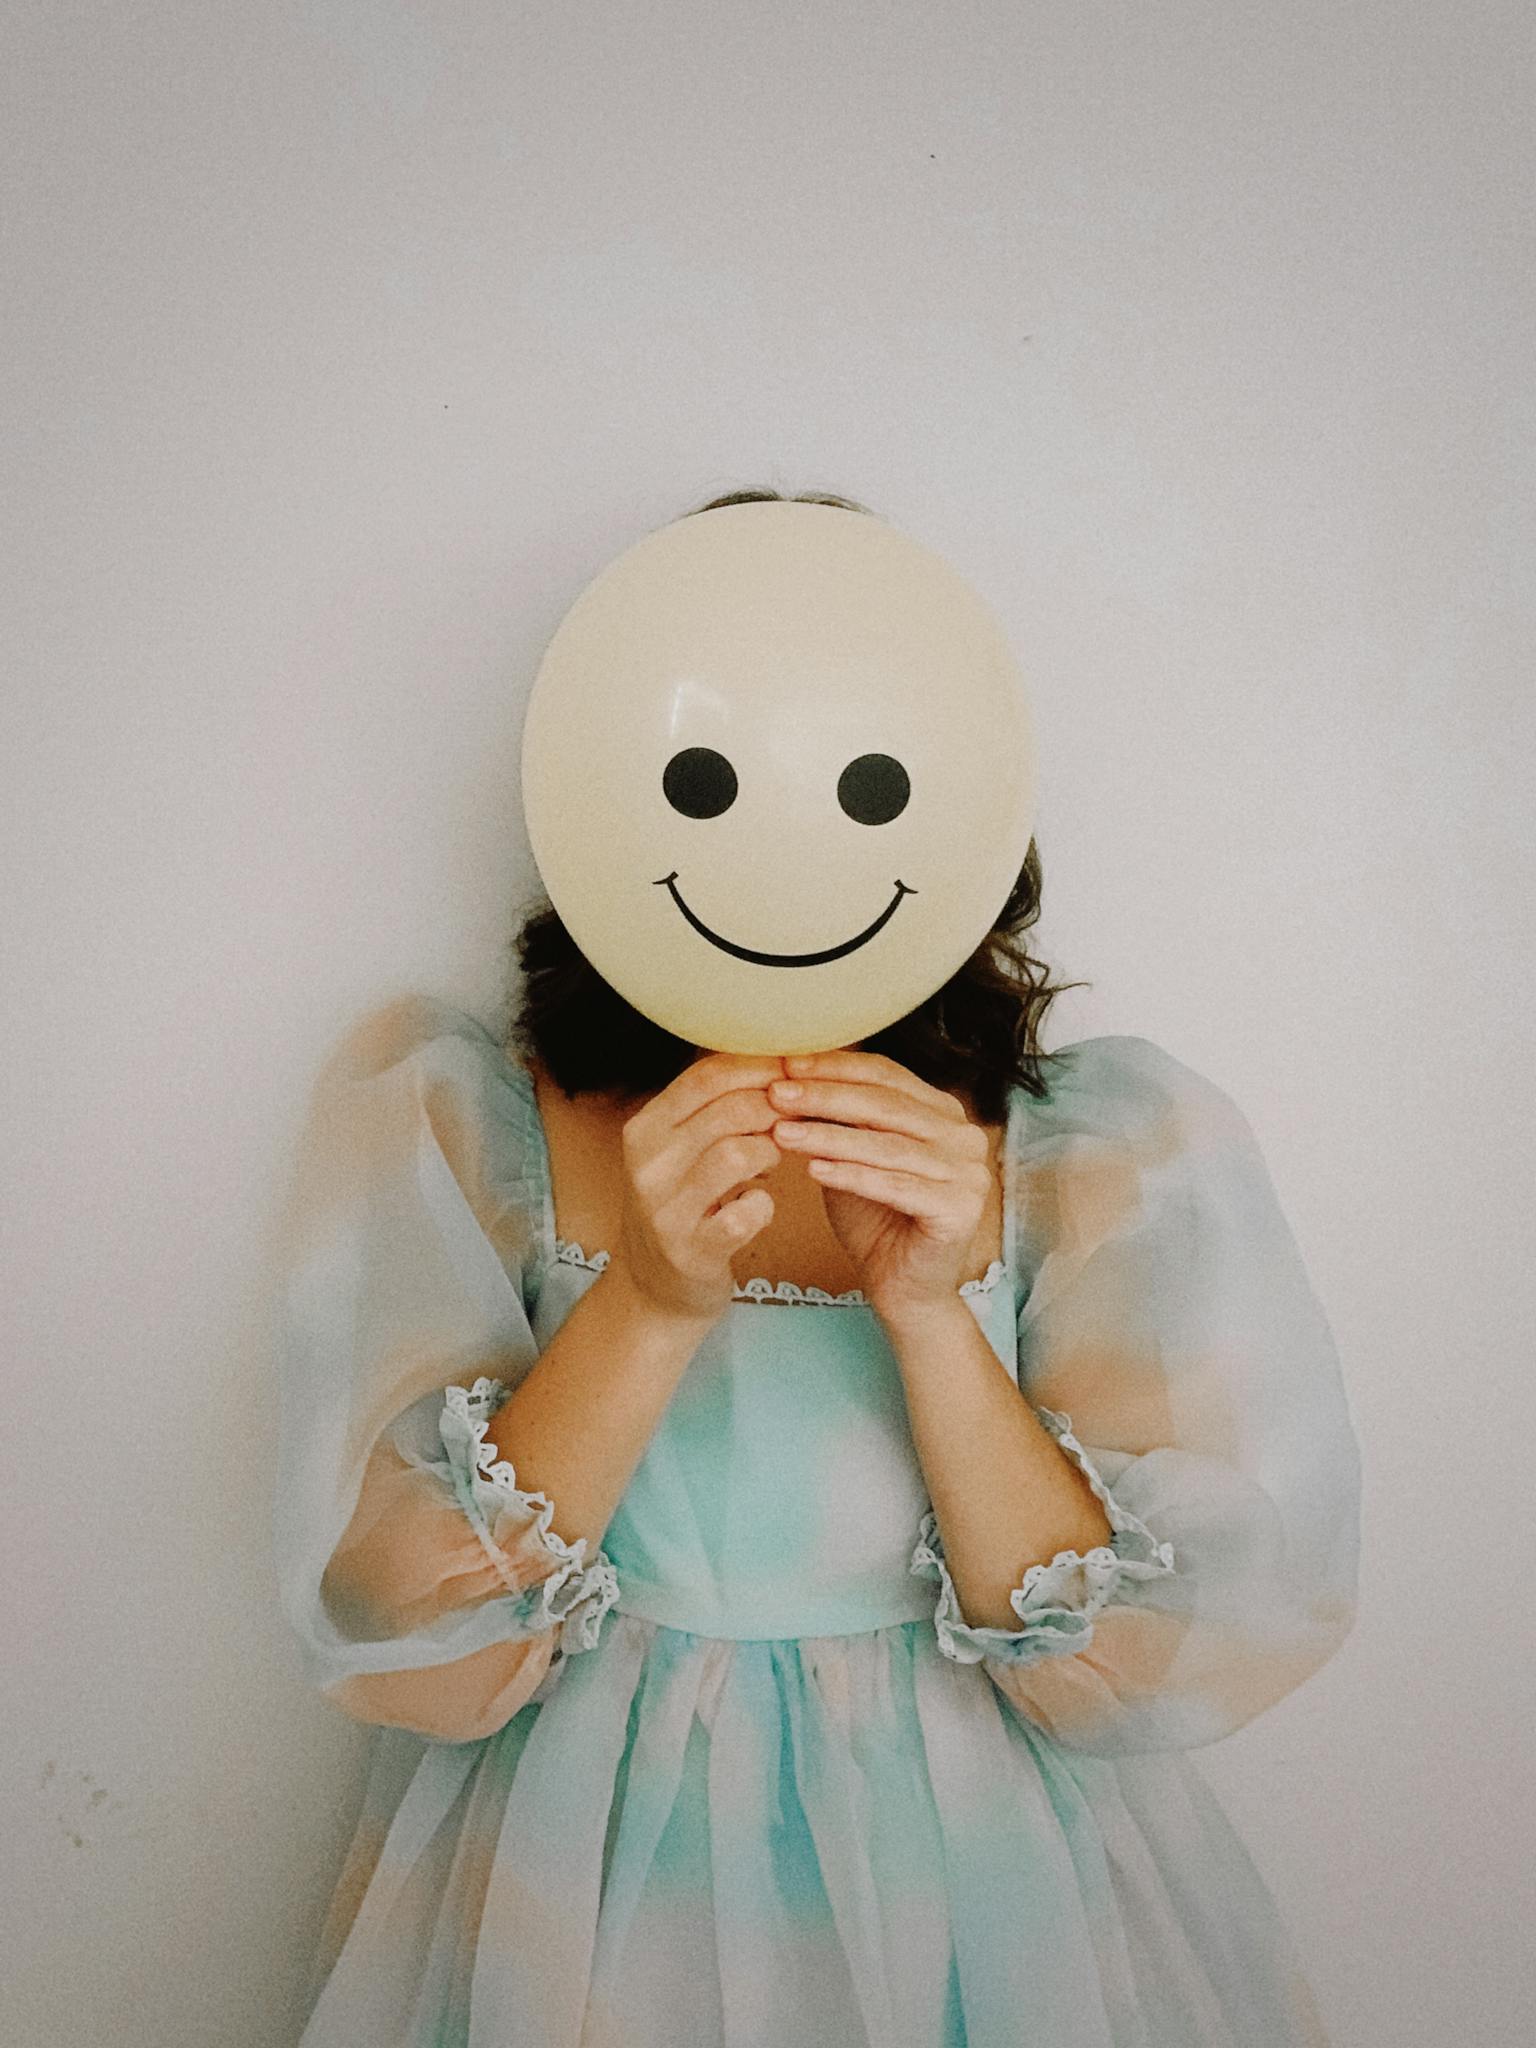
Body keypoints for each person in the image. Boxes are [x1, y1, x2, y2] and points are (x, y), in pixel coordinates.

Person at [273, 495, 1362, 2048]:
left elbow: (1136, 1672)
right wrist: (648, 1298)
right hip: (575, 1908)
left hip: (993, 1906)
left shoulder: (1097, 1149)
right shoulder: (460, 1114)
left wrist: (930, 1316)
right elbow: (409, 1644)